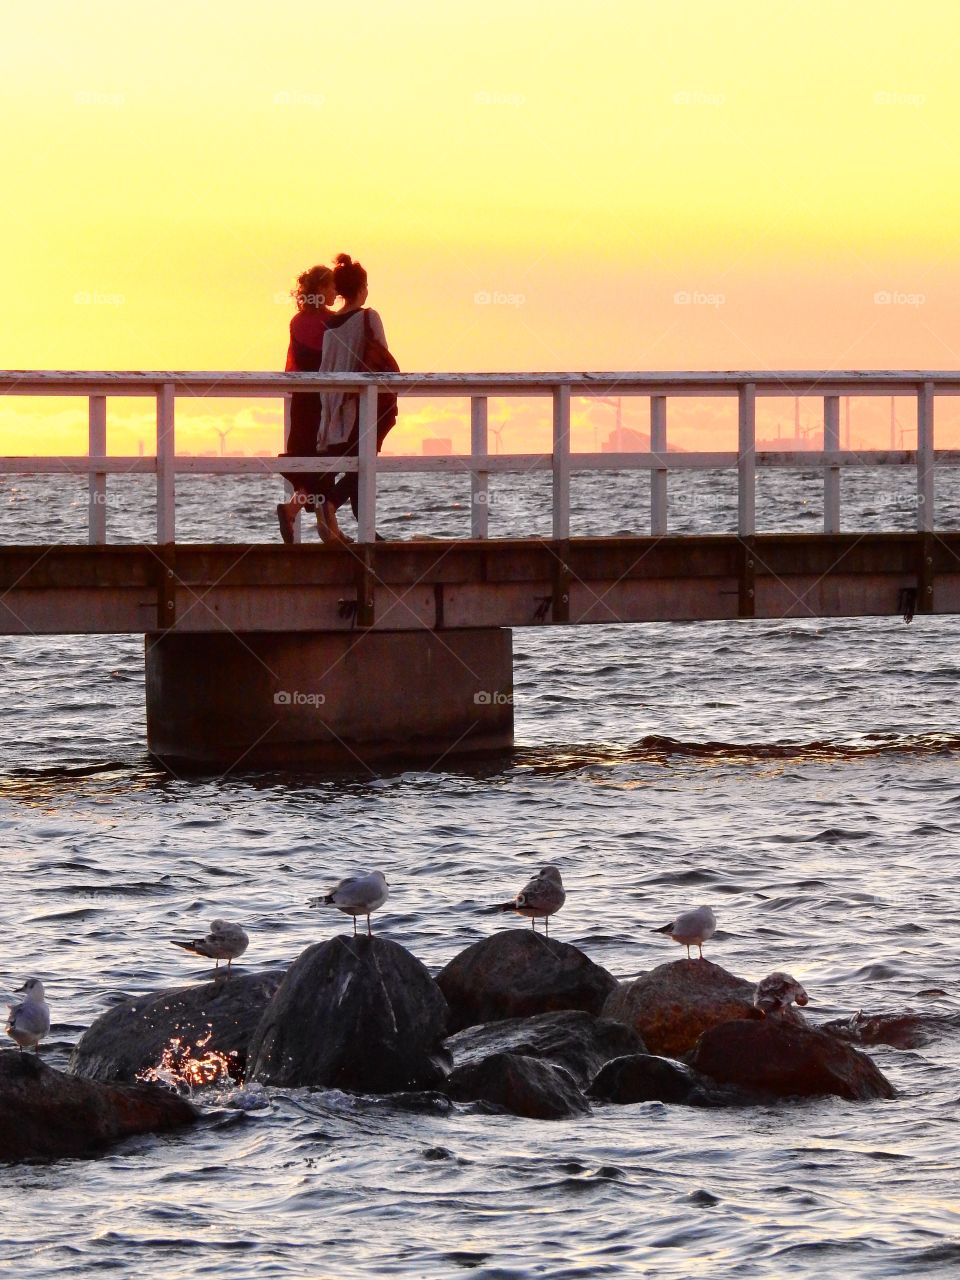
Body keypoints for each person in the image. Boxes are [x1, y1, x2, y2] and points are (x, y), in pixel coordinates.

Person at [314, 253, 395, 542]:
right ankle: (331, 505)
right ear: (361, 288)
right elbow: (382, 356)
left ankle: (366, 530)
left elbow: (326, 367)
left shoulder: (329, 327)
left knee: (359, 465)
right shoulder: (368, 317)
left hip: (334, 405)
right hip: (361, 405)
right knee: (364, 464)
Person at [276, 264, 336, 543]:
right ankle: (294, 508)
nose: (335, 291)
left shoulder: (297, 322)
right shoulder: (333, 322)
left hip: (301, 399)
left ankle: (329, 527)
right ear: (321, 289)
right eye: (332, 286)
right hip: (322, 400)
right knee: (324, 460)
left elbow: (295, 364)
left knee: (306, 459)